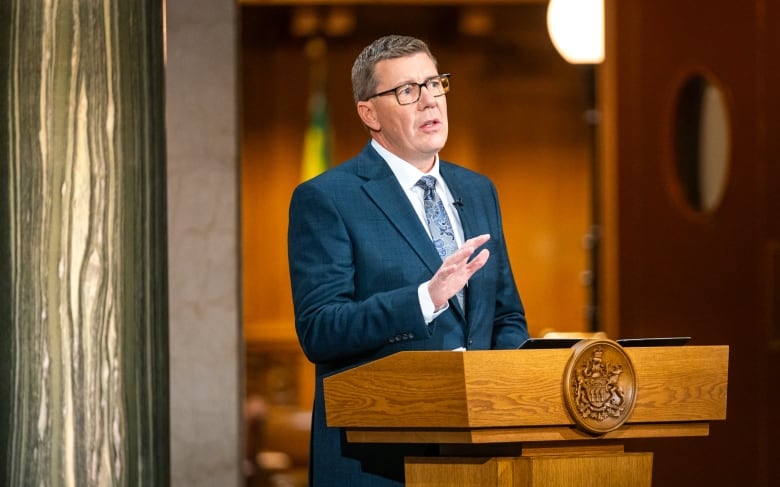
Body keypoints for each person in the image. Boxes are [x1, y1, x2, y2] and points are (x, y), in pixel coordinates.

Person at [287, 34, 529, 486]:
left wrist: (501, 387)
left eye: (434, 84)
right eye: (406, 91)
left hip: (479, 459)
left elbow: (506, 314)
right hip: (376, 462)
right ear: (369, 113)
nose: (429, 102)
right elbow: (320, 330)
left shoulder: (477, 190)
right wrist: (423, 300)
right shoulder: (326, 198)